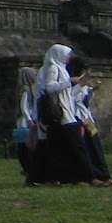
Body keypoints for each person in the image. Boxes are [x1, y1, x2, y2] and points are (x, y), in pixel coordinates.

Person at [35, 45, 103, 187]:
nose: (69, 58)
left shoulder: (61, 69)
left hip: (67, 113)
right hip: (63, 114)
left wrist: (80, 84)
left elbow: (68, 95)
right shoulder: (54, 69)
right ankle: (88, 177)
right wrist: (70, 82)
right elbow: (50, 87)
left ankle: (57, 179)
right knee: (78, 147)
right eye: (67, 54)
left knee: (58, 151)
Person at [68, 57, 112, 187]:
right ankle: (92, 176)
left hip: (87, 119)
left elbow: (83, 96)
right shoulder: (72, 83)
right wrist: (82, 84)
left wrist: (91, 89)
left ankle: (102, 174)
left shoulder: (82, 84)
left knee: (95, 148)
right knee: (88, 149)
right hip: (79, 119)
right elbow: (72, 98)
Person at [14, 67, 43, 185]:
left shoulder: (29, 89)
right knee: (27, 148)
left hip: (26, 122)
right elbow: (24, 106)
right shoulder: (26, 89)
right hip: (25, 123)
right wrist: (29, 120)